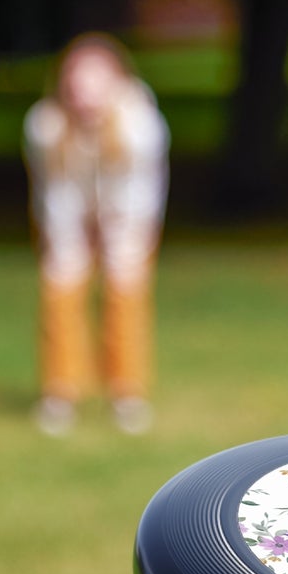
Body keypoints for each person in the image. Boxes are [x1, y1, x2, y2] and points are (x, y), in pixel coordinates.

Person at [23, 33, 170, 436]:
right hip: (67, 216)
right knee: (60, 288)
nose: (84, 93)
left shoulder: (141, 124)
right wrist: (70, 240)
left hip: (128, 217)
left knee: (125, 293)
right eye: (76, 82)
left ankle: (127, 394)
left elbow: (141, 192)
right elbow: (54, 192)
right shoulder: (45, 125)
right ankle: (60, 392)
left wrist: (117, 235)